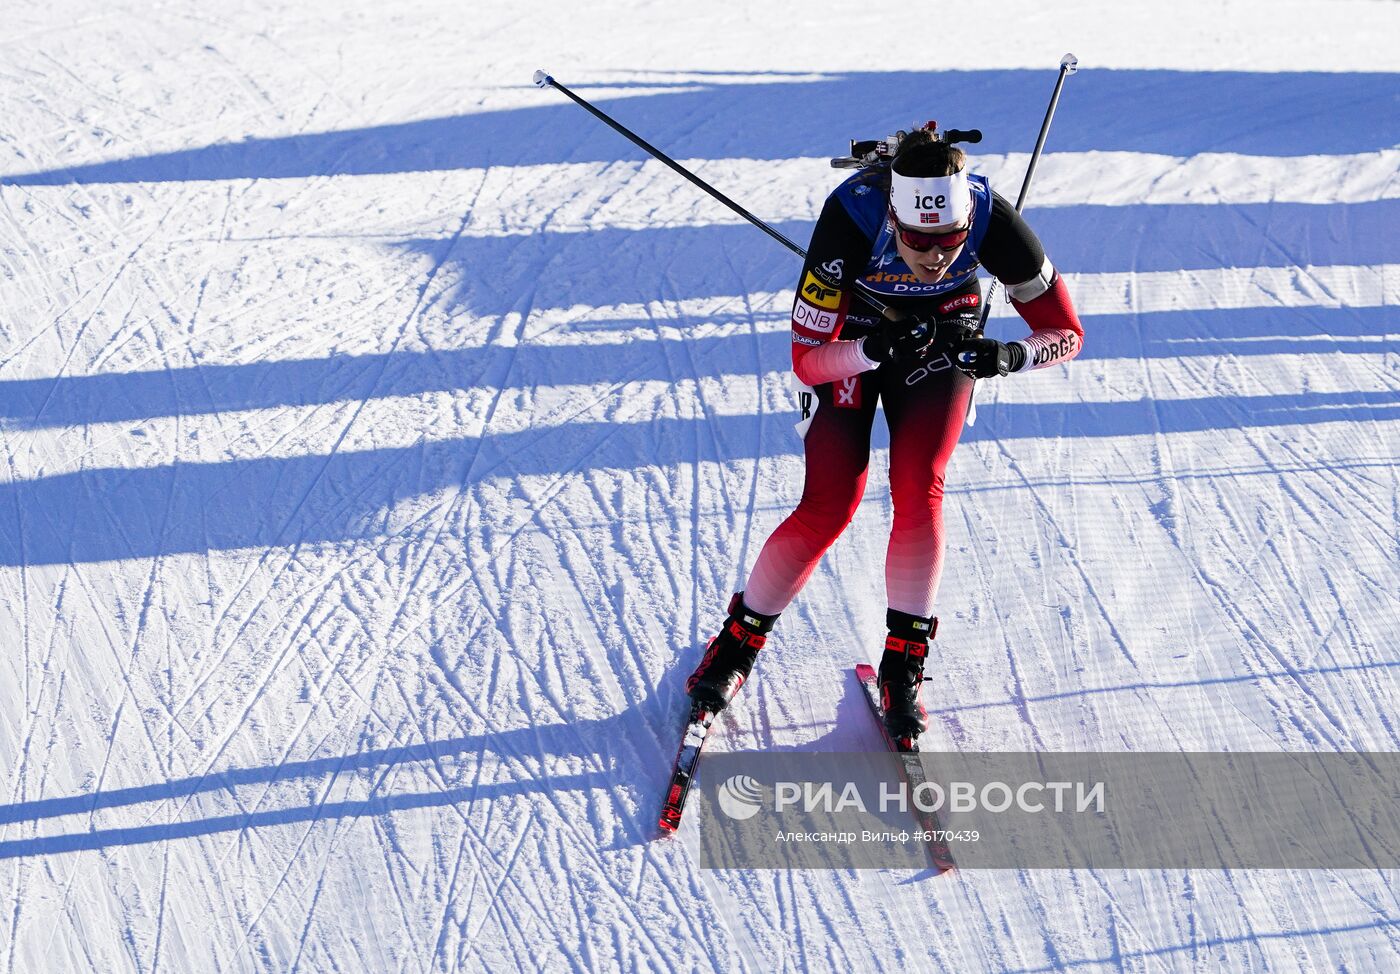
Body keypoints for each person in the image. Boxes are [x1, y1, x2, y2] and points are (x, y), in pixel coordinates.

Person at [684, 124, 1085, 744]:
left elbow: (1067, 333)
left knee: (920, 485)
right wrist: (872, 347)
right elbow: (808, 361)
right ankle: (738, 643)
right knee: (831, 502)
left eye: (951, 240)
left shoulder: (992, 218)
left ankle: (904, 665)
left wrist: (1009, 356)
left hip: (946, 332)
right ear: (893, 218)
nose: (936, 257)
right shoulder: (850, 217)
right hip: (854, 335)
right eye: (920, 240)